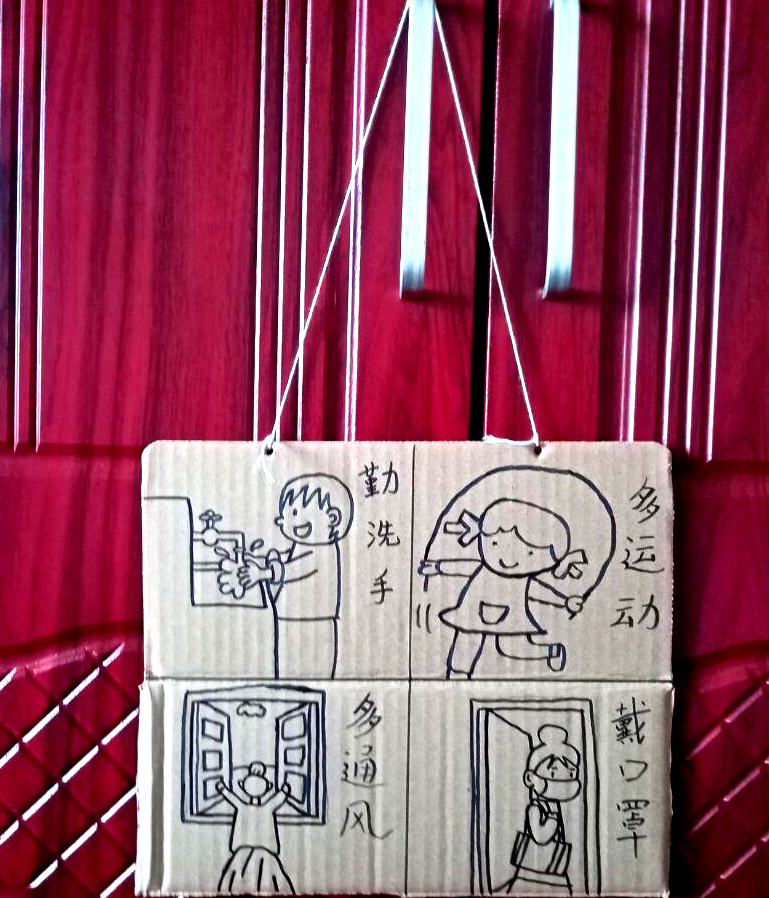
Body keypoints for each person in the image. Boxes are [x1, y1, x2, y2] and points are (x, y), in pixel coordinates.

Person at [419, 498, 588, 677]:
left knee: (512, 647)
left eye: (530, 553)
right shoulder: (483, 568)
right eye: (495, 544)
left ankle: (551, 652)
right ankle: (457, 676)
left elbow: (540, 591)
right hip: (473, 612)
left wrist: (565, 601)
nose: (508, 559)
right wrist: (438, 567)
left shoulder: (523, 580)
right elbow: (463, 566)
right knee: (466, 640)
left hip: (511, 617)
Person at [219, 473, 354, 678]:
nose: (285, 520)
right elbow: (288, 560)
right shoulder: (304, 545)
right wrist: (262, 560)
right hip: (289, 619)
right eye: (288, 514)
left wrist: (262, 573)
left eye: (296, 513)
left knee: (311, 673)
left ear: (332, 519)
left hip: (313, 622)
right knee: (288, 669)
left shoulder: (323, 551)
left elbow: (294, 569)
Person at [507, 725, 582, 894]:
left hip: (554, 869)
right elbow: (541, 837)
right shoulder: (535, 807)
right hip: (533, 871)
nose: (564, 782)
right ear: (530, 778)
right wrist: (553, 818)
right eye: (553, 774)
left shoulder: (554, 805)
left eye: (571, 775)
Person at [215, 762, 294, 894]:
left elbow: (231, 797)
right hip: (257, 849)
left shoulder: (248, 806)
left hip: (254, 850)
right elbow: (279, 798)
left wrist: (222, 789)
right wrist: (284, 791)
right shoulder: (265, 807)